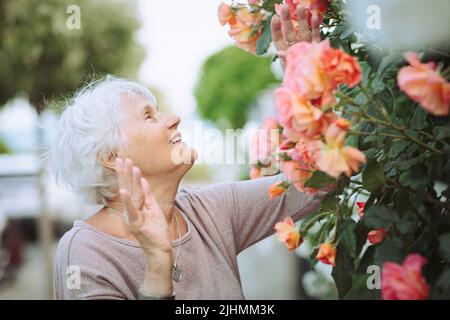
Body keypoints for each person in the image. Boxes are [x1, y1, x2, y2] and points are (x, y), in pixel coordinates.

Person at [52, 4, 329, 299]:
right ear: (111, 156)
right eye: (148, 116)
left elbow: (318, 182)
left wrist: (309, 81)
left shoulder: (211, 209)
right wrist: (158, 266)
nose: (173, 119)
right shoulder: (86, 252)